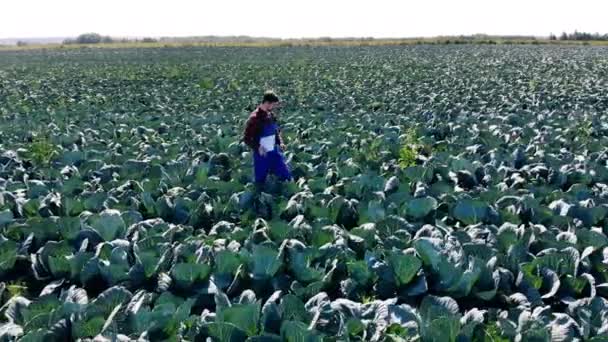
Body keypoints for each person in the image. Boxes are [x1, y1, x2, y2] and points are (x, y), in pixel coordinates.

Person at [243, 91, 292, 192]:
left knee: (285, 175)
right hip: (262, 155)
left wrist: (280, 142)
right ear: (267, 103)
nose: (273, 107)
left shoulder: (270, 115)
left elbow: (276, 131)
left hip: (274, 152)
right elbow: (247, 138)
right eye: (273, 104)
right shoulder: (254, 118)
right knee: (260, 182)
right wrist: (257, 147)